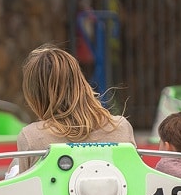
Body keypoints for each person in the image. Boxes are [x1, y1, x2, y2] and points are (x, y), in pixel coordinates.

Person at [13, 43, 137, 174]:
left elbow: (21, 191)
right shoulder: (121, 127)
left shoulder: (31, 137)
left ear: (34, 94)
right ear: (81, 82)